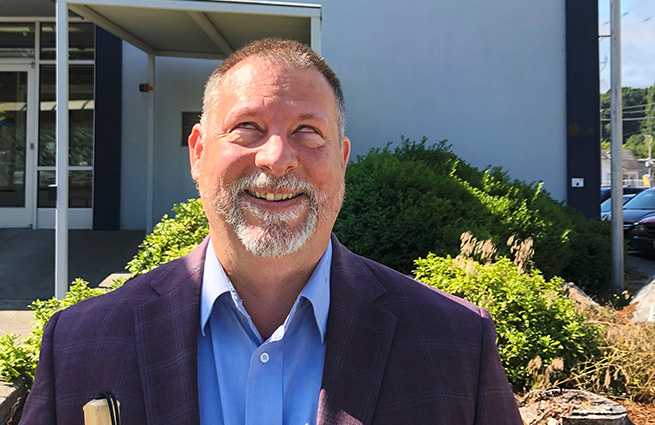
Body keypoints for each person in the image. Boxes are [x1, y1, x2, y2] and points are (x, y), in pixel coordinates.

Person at [21, 38, 522, 425]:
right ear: (198, 153)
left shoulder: (455, 343)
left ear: (342, 161)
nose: (277, 159)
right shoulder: (79, 343)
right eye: (248, 128)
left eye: (308, 131)